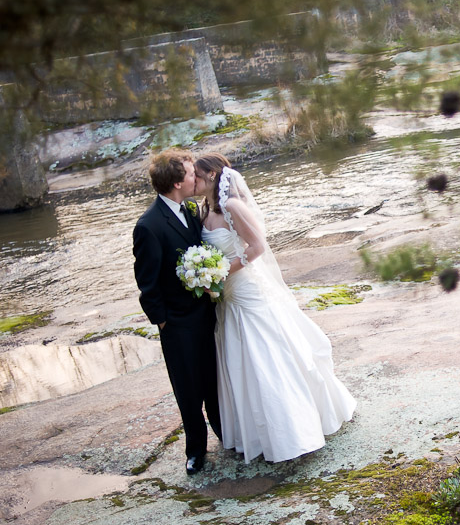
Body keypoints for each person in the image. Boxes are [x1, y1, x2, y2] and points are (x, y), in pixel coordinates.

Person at [193, 152, 356, 463]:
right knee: (241, 361)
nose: (195, 182)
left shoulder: (232, 206)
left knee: (265, 356)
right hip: (227, 299)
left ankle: (292, 431)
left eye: (198, 177)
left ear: (212, 176)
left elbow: (257, 247)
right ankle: (253, 432)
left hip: (245, 291)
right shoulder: (205, 210)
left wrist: (222, 272)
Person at [132, 149, 221, 475]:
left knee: (214, 381)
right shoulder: (149, 225)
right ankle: (196, 450)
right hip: (178, 324)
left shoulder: (191, 208)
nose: (195, 174)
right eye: (189, 172)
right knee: (188, 390)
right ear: (175, 182)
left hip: (207, 315)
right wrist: (164, 321)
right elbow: (147, 282)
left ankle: (226, 435)